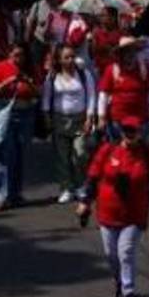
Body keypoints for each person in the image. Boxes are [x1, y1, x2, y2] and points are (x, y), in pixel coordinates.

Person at [75, 115, 149, 297]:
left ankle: (129, 291)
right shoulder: (108, 150)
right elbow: (92, 176)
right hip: (108, 213)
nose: (129, 134)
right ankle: (119, 280)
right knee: (111, 254)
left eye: (133, 131)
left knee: (125, 252)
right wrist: (85, 202)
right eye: (126, 130)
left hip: (134, 214)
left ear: (140, 133)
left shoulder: (148, 154)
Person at [41, 44, 97, 204]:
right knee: (62, 156)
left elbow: (91, 96)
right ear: (59, 60)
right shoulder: (53, 76)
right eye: (66, 57)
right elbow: (46, 98)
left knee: (80, 153)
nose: (71, 60)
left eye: (72, 56)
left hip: (80, 119)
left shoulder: (84, 74)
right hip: (59, 119)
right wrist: (47, 117)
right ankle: (66, 188)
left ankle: (81, 185)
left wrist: (90, 117)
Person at [0, 44, 39, 211]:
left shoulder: (29, 68)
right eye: (15, 55)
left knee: (19, 154)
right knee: (5, 153)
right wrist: (7, 82)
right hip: (6, 113)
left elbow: (38, 92)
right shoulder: (0, 67)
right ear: (9, 54)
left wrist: (28, 83)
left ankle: (15, 194)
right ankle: (2, 195)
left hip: (25, 113)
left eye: (21, 55)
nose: (19, 59)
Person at [97, 37, 149, 141]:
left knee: (139, 148)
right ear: (121, 54)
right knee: (118, 148)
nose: (130, 54)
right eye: (127, 51)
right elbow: (103, 95)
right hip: (118, 120)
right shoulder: (111, 70)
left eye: (133, 51)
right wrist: (101, 117)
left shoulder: (144, 69)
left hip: (141, 119)